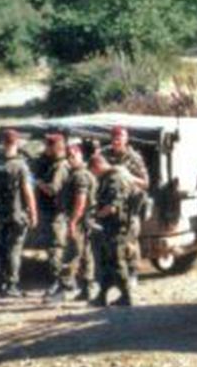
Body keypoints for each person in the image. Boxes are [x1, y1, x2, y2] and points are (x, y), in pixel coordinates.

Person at [0, 129, 38, 297]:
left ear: (3, 142)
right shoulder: (20, 166)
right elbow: (27, 191)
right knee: (14, 249)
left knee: (0, 247)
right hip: (17, 213)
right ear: (16, 143)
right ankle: (12, 283)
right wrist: (33, 213)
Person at [89, 154, 137, 308]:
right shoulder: (108, 178)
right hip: (108, 227)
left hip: (116, 228)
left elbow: (112, 207)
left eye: (94, 171)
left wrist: (96, 216)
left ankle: (127, 296)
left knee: (117, 262)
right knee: (106, 262)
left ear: (98, 166)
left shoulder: (115, 179)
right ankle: (102, 296)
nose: (94, 175)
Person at [36, 133, 73, 301]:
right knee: (53, 249)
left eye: (47, 146)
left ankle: (60, 285)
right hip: (51, 214)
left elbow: (53, 190)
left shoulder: (60, 167)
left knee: (55, 250)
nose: (45, 148)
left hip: (56, 215)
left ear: (54, 148)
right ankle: (62, 284)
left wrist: (38, 183)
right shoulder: (52, 164)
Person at [62, 142, 97, 302]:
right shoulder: (81, 173)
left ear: (80, 155)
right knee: (85, 255)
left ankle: (65, 286)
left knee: (74, 253)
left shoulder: (80, 175)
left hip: (81, 219)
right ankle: (86, 289)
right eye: (68, 156)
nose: (70, 159)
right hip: (85, 219)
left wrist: (72, 222)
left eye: (73, 156)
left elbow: (81, 201)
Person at [102, 126, 148, 191]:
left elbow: (145, 183)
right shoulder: (104, 153)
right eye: (113, 139)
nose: (115, 142)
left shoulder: (134, 158)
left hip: (126, 194)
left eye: (118, 139)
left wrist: (128, 176)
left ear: (126, 140)